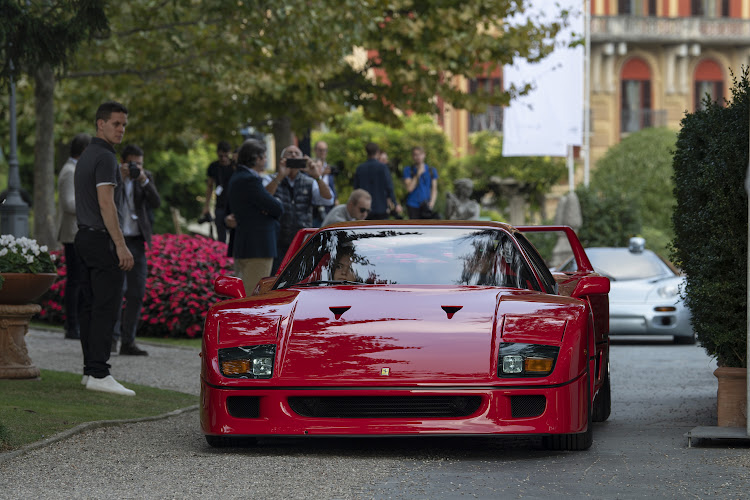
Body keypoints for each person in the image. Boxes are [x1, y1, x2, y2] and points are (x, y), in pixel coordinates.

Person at [73, 100, 135, 396]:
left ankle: (90, 371)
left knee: (88, 306)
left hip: (83, 237)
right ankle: (99, 372)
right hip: (100, 240)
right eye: (116, 124)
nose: (121, 129)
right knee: (104, 307)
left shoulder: (87, 154)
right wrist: (121, 245)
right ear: (100, 124)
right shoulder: (106, 158)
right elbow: (105, 202)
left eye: (124, 124)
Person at [112, 144, 161, 356]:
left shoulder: (145, 177)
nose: (136, 167)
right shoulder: (113, 175)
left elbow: (156, 202)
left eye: (139, 164)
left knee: (137, 292)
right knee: (116, 290)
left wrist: (143, 179)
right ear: (123, 162)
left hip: (137, 241)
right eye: (132, 164)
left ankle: (128, 341)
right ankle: (111, 339)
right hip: (117, 240)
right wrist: (121, 179)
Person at [228, 139, 284, 295]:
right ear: (256, 158)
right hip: (257, 247)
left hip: (247, 245)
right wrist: (275, 203)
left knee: (247, 291)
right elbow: (276, 208)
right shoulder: (249, 179)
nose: (266, 160)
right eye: (264, 157)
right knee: (253, 294)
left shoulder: (238, 176)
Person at [265, 145, 333, 273]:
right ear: (282, 159)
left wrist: (317, 176)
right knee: (276, 277)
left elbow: (328, 199)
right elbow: (264, 199)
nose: (294, 155)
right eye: (290, 153)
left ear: (303, 159)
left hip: (302, 241)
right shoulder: (271, 179)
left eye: (297, 154)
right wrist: (280, 176)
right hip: (277, 240)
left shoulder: (309, 181)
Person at [56, 133, 91, 340]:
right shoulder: (70, 171)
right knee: (75, 281)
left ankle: (74, 323)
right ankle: (71, 325)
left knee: (78, 280)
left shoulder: (76, 169)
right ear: (84, 151)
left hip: (78, 232)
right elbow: (69, 204)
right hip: (72, 234)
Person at [353, 142, 397, 220]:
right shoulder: (383, 167)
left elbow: (356, 189)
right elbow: (389, 186)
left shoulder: (360, 168)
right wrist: (395, 203)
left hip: (365, 207)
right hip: (381, 206)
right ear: (377, 152)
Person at [201, 141, 234, 243]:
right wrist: (206, 205)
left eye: (226, 155)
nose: (223, 158)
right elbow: (210, 186)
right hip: (220, 204)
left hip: (233, 204)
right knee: (221, 235)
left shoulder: (235, 166)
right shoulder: (214, 167)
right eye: (221, 156)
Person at [403, 146, 439, 219]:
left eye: (420, 154)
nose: (418, 157)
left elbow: (434, 189)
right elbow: (409, 189)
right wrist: (418, 174)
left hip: (426, 205)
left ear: (424, 155)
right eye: (415, 155)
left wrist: (431, 203)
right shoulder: (408, 170)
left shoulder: (431, 170)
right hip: (413, 204)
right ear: (413, 156)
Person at [311, 140, 337, 226]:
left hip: (328, 209)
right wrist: (321, 174)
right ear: (315, 150)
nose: (323, 152)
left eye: (325, 150)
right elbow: (312, 184)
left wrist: (336, 199)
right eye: (320, 150)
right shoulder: (310, 167)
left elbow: (331, 186)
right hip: (315, 210)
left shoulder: (329, 168)